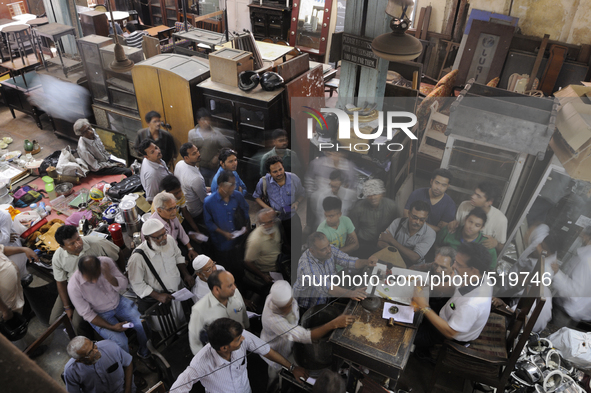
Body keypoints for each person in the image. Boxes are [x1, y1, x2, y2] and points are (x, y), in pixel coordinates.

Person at [172, 318, 309, 393]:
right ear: (224, 347)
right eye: (238, 339)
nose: (243, 339)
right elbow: (177, 389)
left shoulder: (242, 336)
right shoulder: (200, 363)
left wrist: (292, 368)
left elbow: (266, 350)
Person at [67, 256, 156, 371]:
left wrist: (108, 275)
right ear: (82, 273)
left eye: (97, 275)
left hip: (119, 302)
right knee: (121, 342)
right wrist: (112, 327)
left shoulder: (106, 262)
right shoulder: (74, 286)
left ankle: (144, 353)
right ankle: (129, 368)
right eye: (90, 278)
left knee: (142, 324)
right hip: (100, 314)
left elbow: (124, 285)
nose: (94, 281)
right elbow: (88, 315)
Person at [261, 281, 354, 382]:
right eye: (286, 307)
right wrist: (333, 324)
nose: (290, 308)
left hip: (291, 342)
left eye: (291, 303)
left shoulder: (277, 297)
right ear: (277, 306)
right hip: (277, 350)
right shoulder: (274, 321)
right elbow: (304, 336)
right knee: (276, 373)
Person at [412, 243, 493, 357]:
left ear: (473, 270)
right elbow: (453, 287)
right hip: (447, 311)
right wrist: (429, 284)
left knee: (406, 334)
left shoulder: (472, 304)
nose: (454, 266)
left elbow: (450, 332)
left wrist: (424, 306)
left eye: (458, 264)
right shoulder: (479, 276)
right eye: (455, 261)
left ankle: (422, 353)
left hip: (447, 334)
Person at [50, 225, 120, 335]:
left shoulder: (98, 243)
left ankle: (90, 341)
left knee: (77, 323)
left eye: (78, 239)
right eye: (72, 244)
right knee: (54, 321)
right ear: (63, 247)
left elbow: (118, 256)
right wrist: (67, 307)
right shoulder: (58, 257)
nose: (78, 244)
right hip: (72, 287)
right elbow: (61, 282)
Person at [293, 232, 377, 309]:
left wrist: (367, 262)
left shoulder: (330, 250)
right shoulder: (307, 265)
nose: (329, 250)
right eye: (323, 249)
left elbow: (348, 261)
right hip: (307, 306)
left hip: (325, 298)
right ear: (312, 251)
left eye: (328, 245)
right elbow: (325, 286)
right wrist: (351, 293)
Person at [127, 219, 194, 313]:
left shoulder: (169, 240)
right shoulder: (137, 258)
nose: (163, 238)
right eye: (158, 237)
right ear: (147, 238)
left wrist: (186, 274)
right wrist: (158, 296)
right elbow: (137, 284)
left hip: (178, 291)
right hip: (161, 301)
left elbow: (178, 256)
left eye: (164, 234)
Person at [254, 156, 306, 269]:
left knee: (296, 243)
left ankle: (296, 264)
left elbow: (302, 193)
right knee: (277, 244)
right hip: (274, 219)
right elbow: (256, 197)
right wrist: (268, 209)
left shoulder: (294, 178)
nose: (279, 173)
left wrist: (297, 202)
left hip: (291, 216)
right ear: (269, 172)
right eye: (275, 171)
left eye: (280, 169)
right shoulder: (263, 181)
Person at [188, 270, 249, 355]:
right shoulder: (199, 309)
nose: (234, 287)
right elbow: (195, 341)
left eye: (233, 283)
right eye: (230, 285)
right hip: (221, 353)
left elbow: (243, 314)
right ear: (217, 289)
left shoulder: (235, 293)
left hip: (240, 343)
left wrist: (247, 330)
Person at [204, 170, 250, 279]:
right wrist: (223, 233)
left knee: (239, 266)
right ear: (221, 185)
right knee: (225, 267)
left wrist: (245, 226)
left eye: (235, 184)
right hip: (222, 243)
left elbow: (245, 210)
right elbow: (209, 223)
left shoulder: (238, 196)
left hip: (238, 241)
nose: (234, 187)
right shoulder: (209, 202)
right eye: (231, 184)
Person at [449, 182, 507, 254]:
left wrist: (496, 243)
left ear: (489, 202)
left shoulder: (500, 220)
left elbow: (501, 248)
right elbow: (457, 229)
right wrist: (453, 225)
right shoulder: (464, 205)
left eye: (478, 196)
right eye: (474, 193)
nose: (473, 196)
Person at [64, 337, 139, 393]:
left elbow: (128, 364)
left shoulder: (111, 347)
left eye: (93, 345)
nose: (96, 351)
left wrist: (128, 390)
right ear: (79, 360)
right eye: (90, 352)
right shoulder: (71, 371)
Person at [552, 226, 591, 324]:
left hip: (566, 312)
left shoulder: (586, 259)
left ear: (587, 236)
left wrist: (557, 273)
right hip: (577, 312)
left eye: (582, 232)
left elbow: (575, 293)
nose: (580, 234)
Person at [349, 179, 397, 258]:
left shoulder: (391, 206)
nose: (372, 197)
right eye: (369, 195)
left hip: (384, 244)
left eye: (375, 194)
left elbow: (396, 226)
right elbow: (353, 231)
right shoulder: (357, 209)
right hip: (364, 245)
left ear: (382, 194)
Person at [378, 200, 436, 266]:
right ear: (409, 213)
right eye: (415, 217)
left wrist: (392, 241)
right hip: (392, 260)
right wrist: (403, 254)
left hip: (414, 267)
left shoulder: (430, 233)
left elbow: (415, 258)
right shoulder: (397, 222)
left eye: (422, 219)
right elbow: (380, 242)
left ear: (426, 218)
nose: (417, 222)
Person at [243, 209, 283, 295]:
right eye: (264, 223)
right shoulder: (255, 240)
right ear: (259, 223)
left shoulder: (275, 226)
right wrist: (263, 276)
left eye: (271, 221)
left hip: (281, 263)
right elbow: (248, 262)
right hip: (268, 271)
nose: (269, 225)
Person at [188, 108, 232, 185]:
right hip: (199, 168)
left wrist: (217, 156)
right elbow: (190, 150)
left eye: (208, 120)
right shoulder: (192, 134)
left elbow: (228, 146)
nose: (207, 122)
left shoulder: (216, 133)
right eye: (204, 120)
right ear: (198, 120)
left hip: (214, 168)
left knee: (214, 186)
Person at [149, 191, 198, 260]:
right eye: (170, 209)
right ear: (159, 210)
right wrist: (178, 260)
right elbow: (159, 253)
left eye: (175, 207)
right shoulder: (154, 228)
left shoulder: (172, 217)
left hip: (176, 248)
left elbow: (182, 233)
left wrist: (190, 249)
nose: (174, 211)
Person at [0, 245, 38, 325]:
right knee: (11, 329)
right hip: (5, 306)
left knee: (23, 316)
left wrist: (23, 249)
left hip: (15, 295)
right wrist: (5, 310)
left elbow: (2, 249)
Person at [174, 143, 208, 228]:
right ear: (186, 158)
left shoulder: (180, 164)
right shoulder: (196, 178)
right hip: (196, 212)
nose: (198, 154)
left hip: (185, 206)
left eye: (197, 151)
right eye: (194, 153)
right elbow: (204, 200)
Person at [0, 210, 30, 280]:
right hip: (4, 250)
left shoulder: (4, 215)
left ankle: (22, 279)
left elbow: (5, 238)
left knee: (17, 272)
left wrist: (3, 237)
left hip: (11, 249)